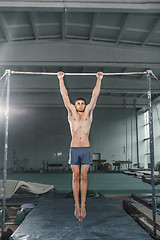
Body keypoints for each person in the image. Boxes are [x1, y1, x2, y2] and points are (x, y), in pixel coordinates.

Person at [57, 71, 103, 221]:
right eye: (78, 103)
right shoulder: (71, 114)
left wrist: (99, 79)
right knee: (75, 177)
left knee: (84, 177)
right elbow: (64, 96)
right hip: (74, 148)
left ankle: (83, 205)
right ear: (75, 105)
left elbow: (95, 96)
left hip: (86, 148)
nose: (81, 105)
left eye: (82, 103)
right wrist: (60, 79)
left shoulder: (89, 113)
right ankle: (76, 205)